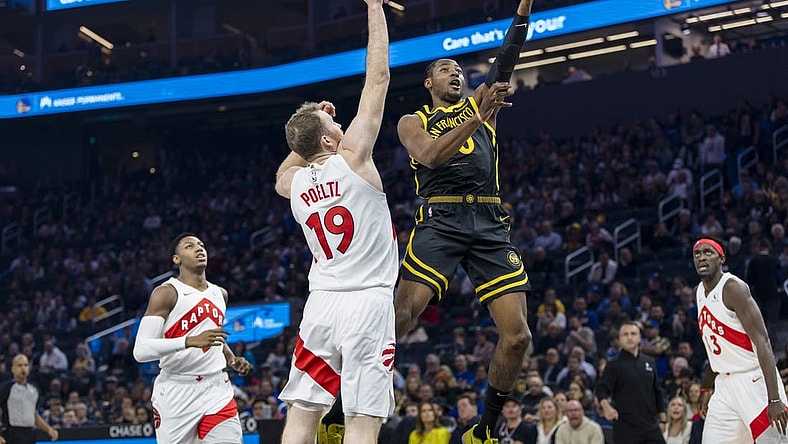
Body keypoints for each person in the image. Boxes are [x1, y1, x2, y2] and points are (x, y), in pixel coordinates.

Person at [393, 1, 535, 443]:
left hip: (488, 219)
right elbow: (431, 156)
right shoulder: (414, 120)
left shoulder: (482, 102)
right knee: (399, 316)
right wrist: (478, 116)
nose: (455, 73)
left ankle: (485, 429)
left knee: (518, 336)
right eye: (445, 69)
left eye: (459, 69)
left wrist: (523, 13)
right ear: (429, 82)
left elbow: (507, 57)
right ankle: (344, 407)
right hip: (442, 218)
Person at [274, 1, 396, 443]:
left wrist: (309, 131)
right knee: (363, 418)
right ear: (329, 139)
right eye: (334, 122)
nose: (341, 123)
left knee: (301, 415)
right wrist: (375, 7)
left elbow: (283, 171)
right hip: (367, 302)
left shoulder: (293, 184)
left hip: (321, 305)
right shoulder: (353, 158)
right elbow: (378, 78)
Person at [132, 233, 252, 443]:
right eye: (189, 246)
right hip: (177, 390)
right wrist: (188, 341)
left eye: (201, 245)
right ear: (176, 259)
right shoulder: (166, 293)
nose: (199, 249)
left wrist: (231, 358)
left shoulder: (220, 293)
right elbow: (141, 351)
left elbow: (212, 334)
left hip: (217, 388)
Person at [693, 237, 788, 442]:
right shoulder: (698, 293)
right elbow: (715, 348)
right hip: (724, 386)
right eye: (697, 254)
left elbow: (763, 341)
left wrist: (774, 398)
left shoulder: (733, 288)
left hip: (754, 380)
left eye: (708, 252)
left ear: (721, 258)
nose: (701, 257)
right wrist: (706, 387)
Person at [595, 321, 666, 444]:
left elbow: (657, 391)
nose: (629, 337)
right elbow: (601, 390)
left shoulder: (649, 362)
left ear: (639, 338)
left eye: (633, 334)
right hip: (626, 427)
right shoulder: (613, 364)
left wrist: (663, 419)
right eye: (625, 334)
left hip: (650, 425)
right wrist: (606, 407)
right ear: (620, 339)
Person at [0, 355, 59, 444]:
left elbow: (34, 415)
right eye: (19, 365)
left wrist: (48, 429)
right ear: (13, 369)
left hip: (30, 434)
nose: (23, 368)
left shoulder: (33, 390)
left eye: (25, 365)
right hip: (11, 433)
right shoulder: (7, 388)